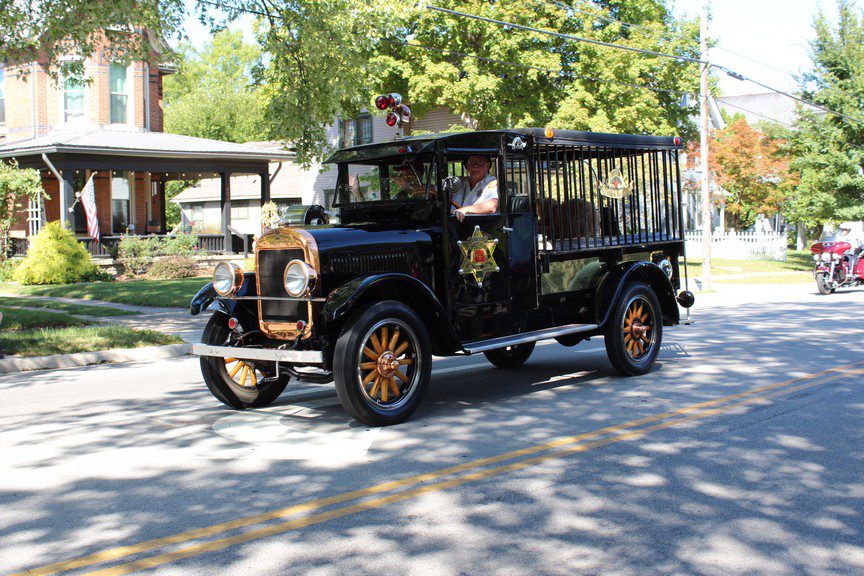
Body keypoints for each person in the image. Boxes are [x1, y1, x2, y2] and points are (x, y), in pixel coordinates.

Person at [450, 155, 499, 221]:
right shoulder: (459, 182)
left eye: (480, 162)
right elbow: (441, 190)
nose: (475, 166)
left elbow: (492, 206)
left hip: (483, 224)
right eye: (472, 162)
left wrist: (465, 209)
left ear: (487, 165)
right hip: (456, 224)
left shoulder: (492, 182)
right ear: (466, 166)